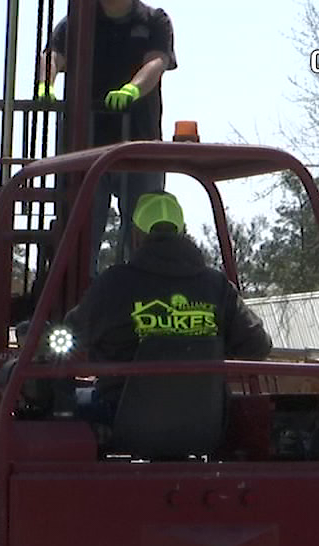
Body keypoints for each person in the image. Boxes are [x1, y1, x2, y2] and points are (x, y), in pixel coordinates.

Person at [64, 191, 273, 425]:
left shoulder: (113, 285)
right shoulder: (217, 286)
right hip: (204, 423)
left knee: (61, 407)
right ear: (182, 233)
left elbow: (69, 337)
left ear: (135, 236)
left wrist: (39, 338)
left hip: (124, 422)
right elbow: (258, 346)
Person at [35, 0, 177, 273]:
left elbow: (157, 61)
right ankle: (79, 305)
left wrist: (132, 90)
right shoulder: (78, 21)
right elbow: (53, 55)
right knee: (80, 237)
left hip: (138, 146)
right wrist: (45, 83)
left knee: (141, 236)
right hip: (83, 148)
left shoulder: (154, 20)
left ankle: (139, 293)